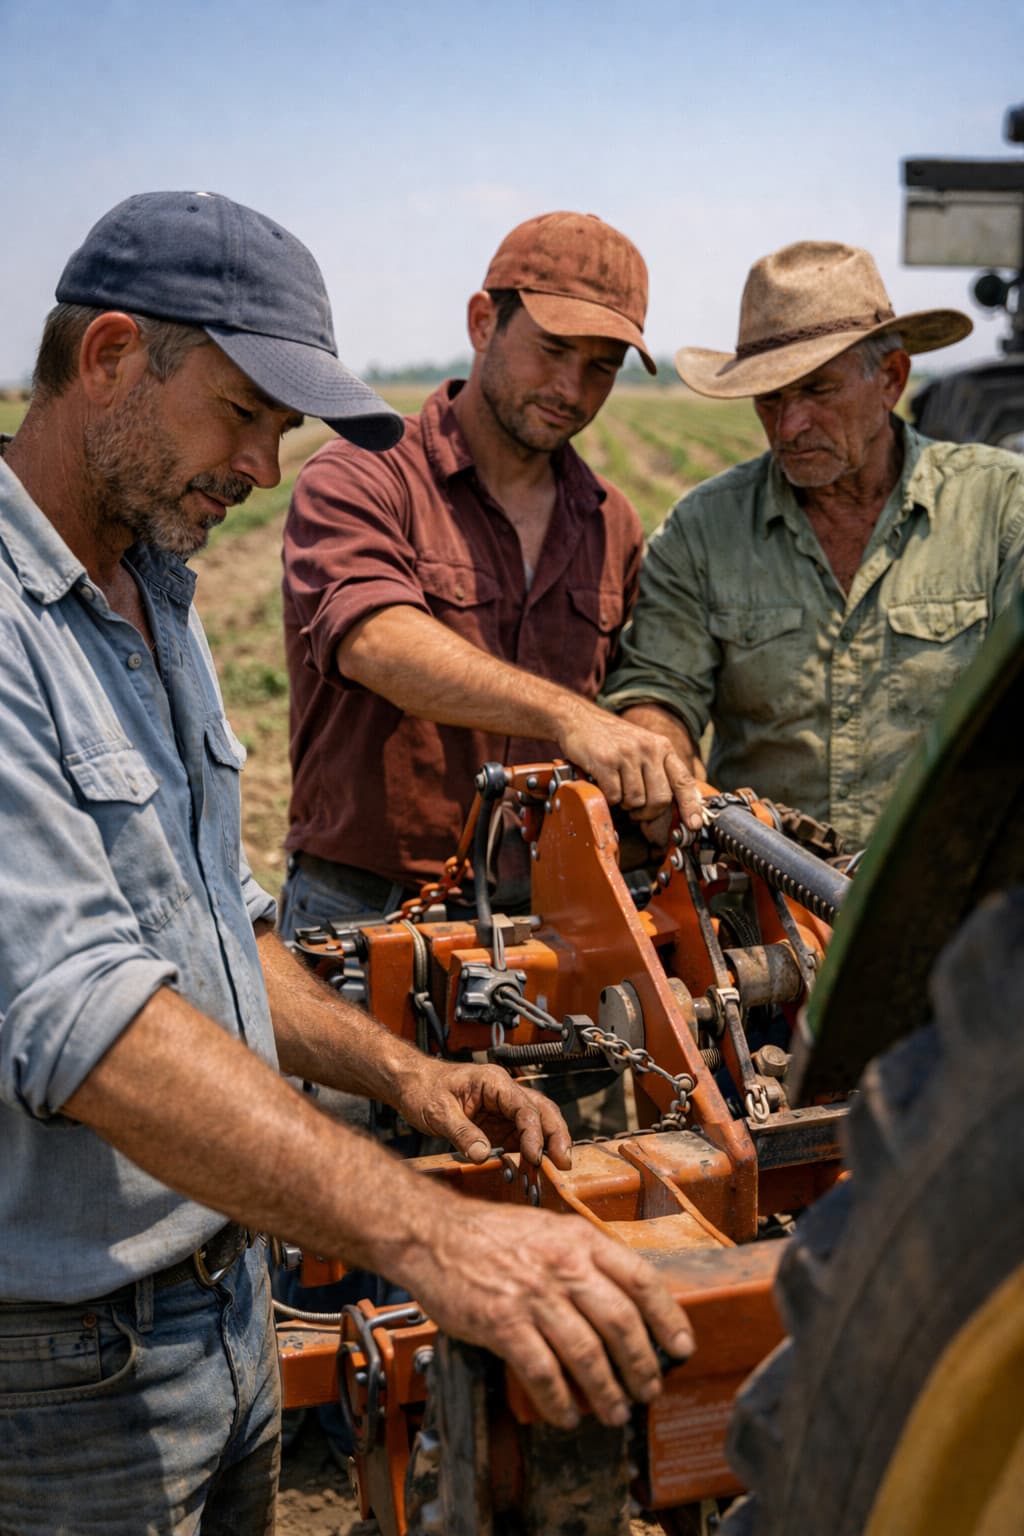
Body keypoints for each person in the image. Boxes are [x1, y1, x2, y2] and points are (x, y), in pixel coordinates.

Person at [0, 191, 694, 1535]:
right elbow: (86, 1017)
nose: (267, 470)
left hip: (215, 1305)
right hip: (65, 1362)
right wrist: (433, 1235)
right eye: (247, 415)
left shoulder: (153, 598)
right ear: (108, 362)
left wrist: (407, 1073)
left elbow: (218, 931)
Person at [280, 210, 703, 940]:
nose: (571, 386)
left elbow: (632, 690)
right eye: (553, 349)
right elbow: (374, 640)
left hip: (549, 914)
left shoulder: (612, 523)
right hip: (366, 911)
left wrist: (658, 758)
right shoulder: (363, 474)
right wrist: (568, 717)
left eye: (601, 365)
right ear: (483, 323)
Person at [601, 240, 1024, 849]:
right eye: (770, 398)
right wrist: (660, 749)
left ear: (892, 379)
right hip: (764, 903)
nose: (790, 425)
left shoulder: (1000, 507)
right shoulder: (705, 528)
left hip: (947, 894)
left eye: (818, 390)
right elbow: (658, 687)